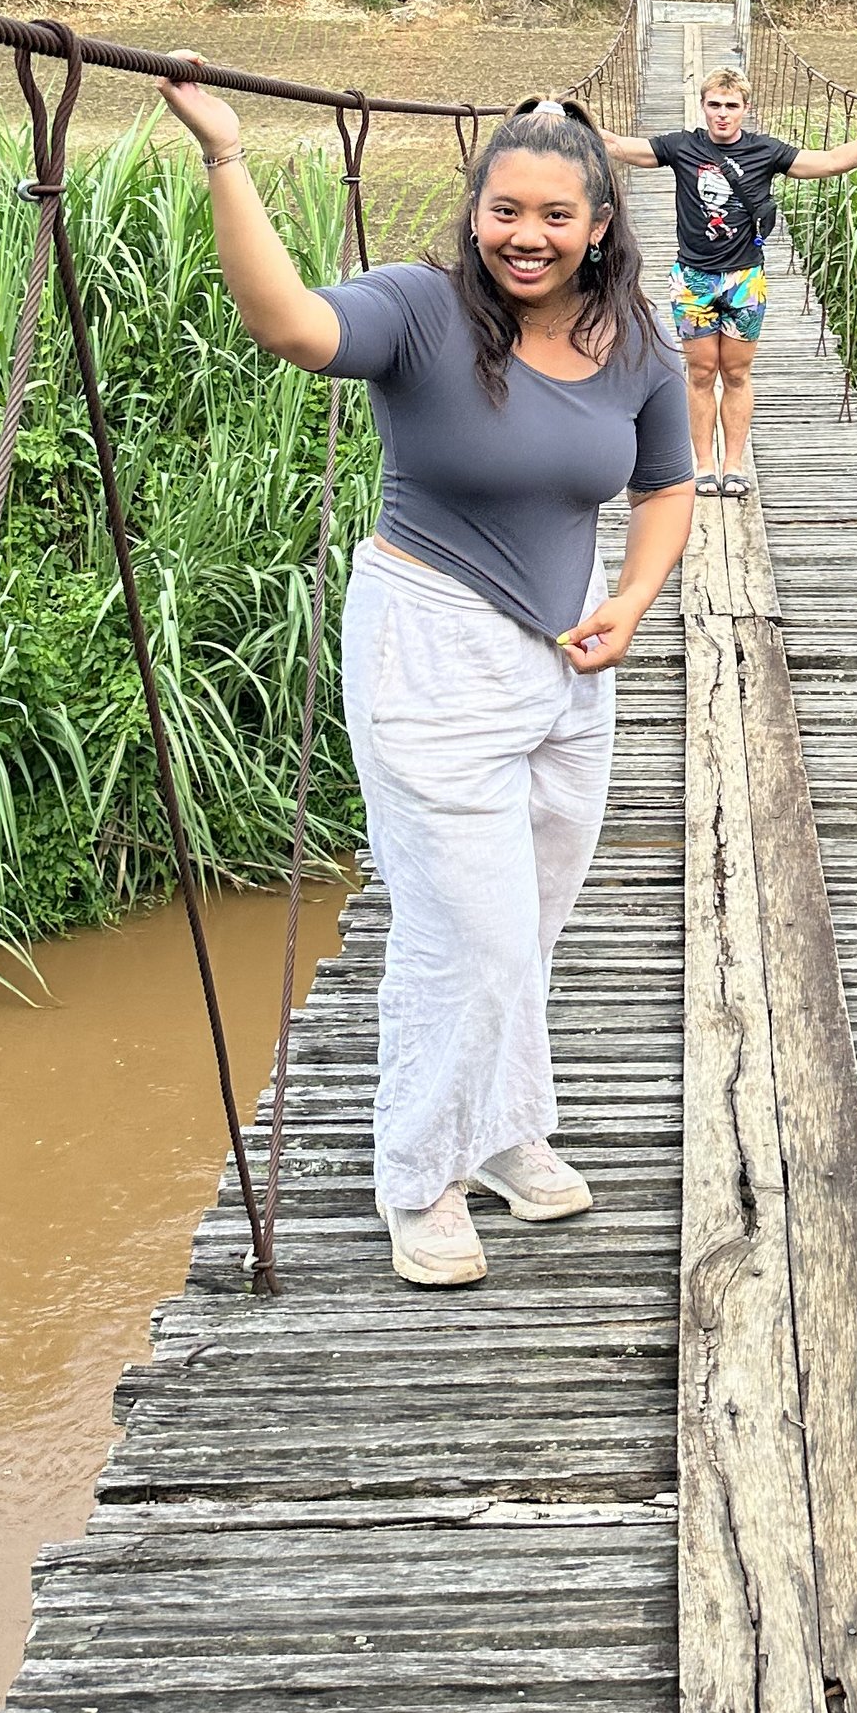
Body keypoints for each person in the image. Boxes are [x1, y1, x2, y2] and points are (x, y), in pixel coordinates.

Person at [154, 74, 695, 1291]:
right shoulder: (420, 311)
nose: (528, 236)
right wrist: (226, 159)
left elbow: (666, 486)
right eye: (506, 210)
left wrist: (634, 596)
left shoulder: (636, 341)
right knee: (472, 934)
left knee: (533, 923)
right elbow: (290, 327)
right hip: (431, 644)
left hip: (568, 667)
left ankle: (502, 1131)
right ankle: (419, 1175)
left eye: (557, 216)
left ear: (599, 224)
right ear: (475, 209)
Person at [600, 67, 857, 496]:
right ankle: (704, 464)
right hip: (693, 280)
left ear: (746, 108)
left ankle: (734, 463)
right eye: (714, 105)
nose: (722, 114)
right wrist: (562, 116)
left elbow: (832, 161)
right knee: (702, 371)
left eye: (731, 106)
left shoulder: (766, 151)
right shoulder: (681, 146)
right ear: (703, 106)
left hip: (745, 280)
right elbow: (616, 146)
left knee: (737, 372)